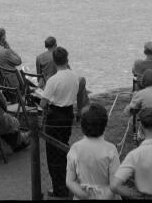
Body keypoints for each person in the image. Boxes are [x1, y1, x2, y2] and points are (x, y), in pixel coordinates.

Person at [39, 47, 81, 199]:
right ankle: (66, 184)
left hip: (55, 116)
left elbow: (43, 104)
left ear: (54, 61)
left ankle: (60, 190)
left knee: (53, 155)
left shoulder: (53, 80)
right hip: (68, 113)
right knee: (63, 149)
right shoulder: (74, 76)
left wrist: (41, 98)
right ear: (67, 59)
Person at [66, 103, 120, 200]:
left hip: (81, 196)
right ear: (105, 125)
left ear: (82, 125)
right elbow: (114, 185)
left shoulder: (75, 148)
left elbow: (70, 181)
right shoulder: (111, 149)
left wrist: (84, 195)